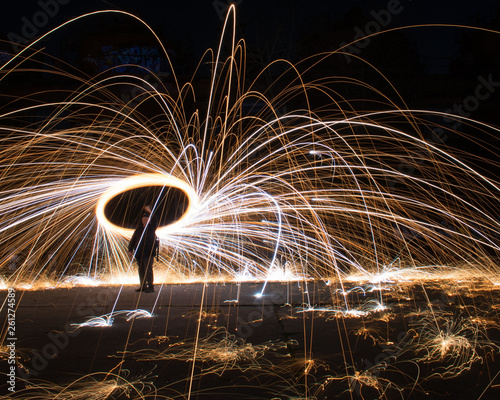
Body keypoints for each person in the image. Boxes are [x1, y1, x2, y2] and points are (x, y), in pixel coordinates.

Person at [128, 205, 159, 293]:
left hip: (149, 252)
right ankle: (143, 286)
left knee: (148, 269)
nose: (145, 221)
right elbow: (133, 239)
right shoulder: (138, 229)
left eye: (147, 219)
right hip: (139, 252)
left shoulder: (151, 228)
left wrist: (150, 212)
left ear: (149, 221)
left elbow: (155, 219)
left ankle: (151, 286)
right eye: (144, 219)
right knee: (141, 269)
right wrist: (130, 249)